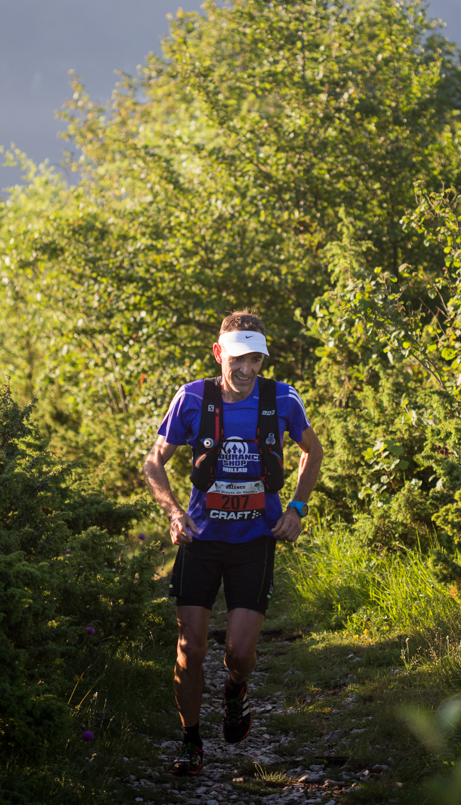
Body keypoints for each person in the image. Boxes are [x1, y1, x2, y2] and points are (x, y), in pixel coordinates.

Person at [143, 311, 323, 776]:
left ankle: (235, 689)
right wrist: (174, 513)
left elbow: (312, 450)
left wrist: (297, 509)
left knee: (239, 654)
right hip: (200, 540)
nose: (246, 371)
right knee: (191, 648)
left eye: (256, 361)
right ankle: (190, 740)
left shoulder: (281, 399)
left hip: (254, 541)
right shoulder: (192, 398)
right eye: (238, 359)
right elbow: (153, 462)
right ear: (220, 353)